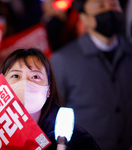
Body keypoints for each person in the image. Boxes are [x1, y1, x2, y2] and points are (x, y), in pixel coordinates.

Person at [50, 0, 132, 150]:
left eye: (113, 5)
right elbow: (52, 113)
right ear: (84, 18)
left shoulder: (129, 51)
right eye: (100, 6)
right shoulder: (64, 60)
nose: (109, 9)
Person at [0, 48, 100, 150]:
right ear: (0, 86)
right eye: (16, 76)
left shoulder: (76, 140)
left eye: (35, 76)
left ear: (48, 90)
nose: (25, 84)